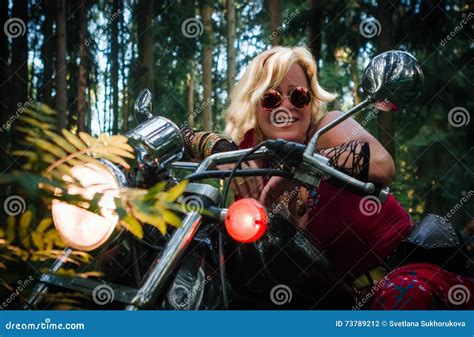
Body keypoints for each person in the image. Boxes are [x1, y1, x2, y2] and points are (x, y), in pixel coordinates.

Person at [216, 46, 473, 309]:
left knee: (404, 298)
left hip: (408, 274)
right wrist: (215, 151)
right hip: (345, 305)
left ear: (311, 100)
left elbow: (384, 166)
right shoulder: (251, 162)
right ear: (254, 104)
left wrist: (299, 166)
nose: (286, 106)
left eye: (298, 96)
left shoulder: (327, 128)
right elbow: (187, 149)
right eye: (270, 98)